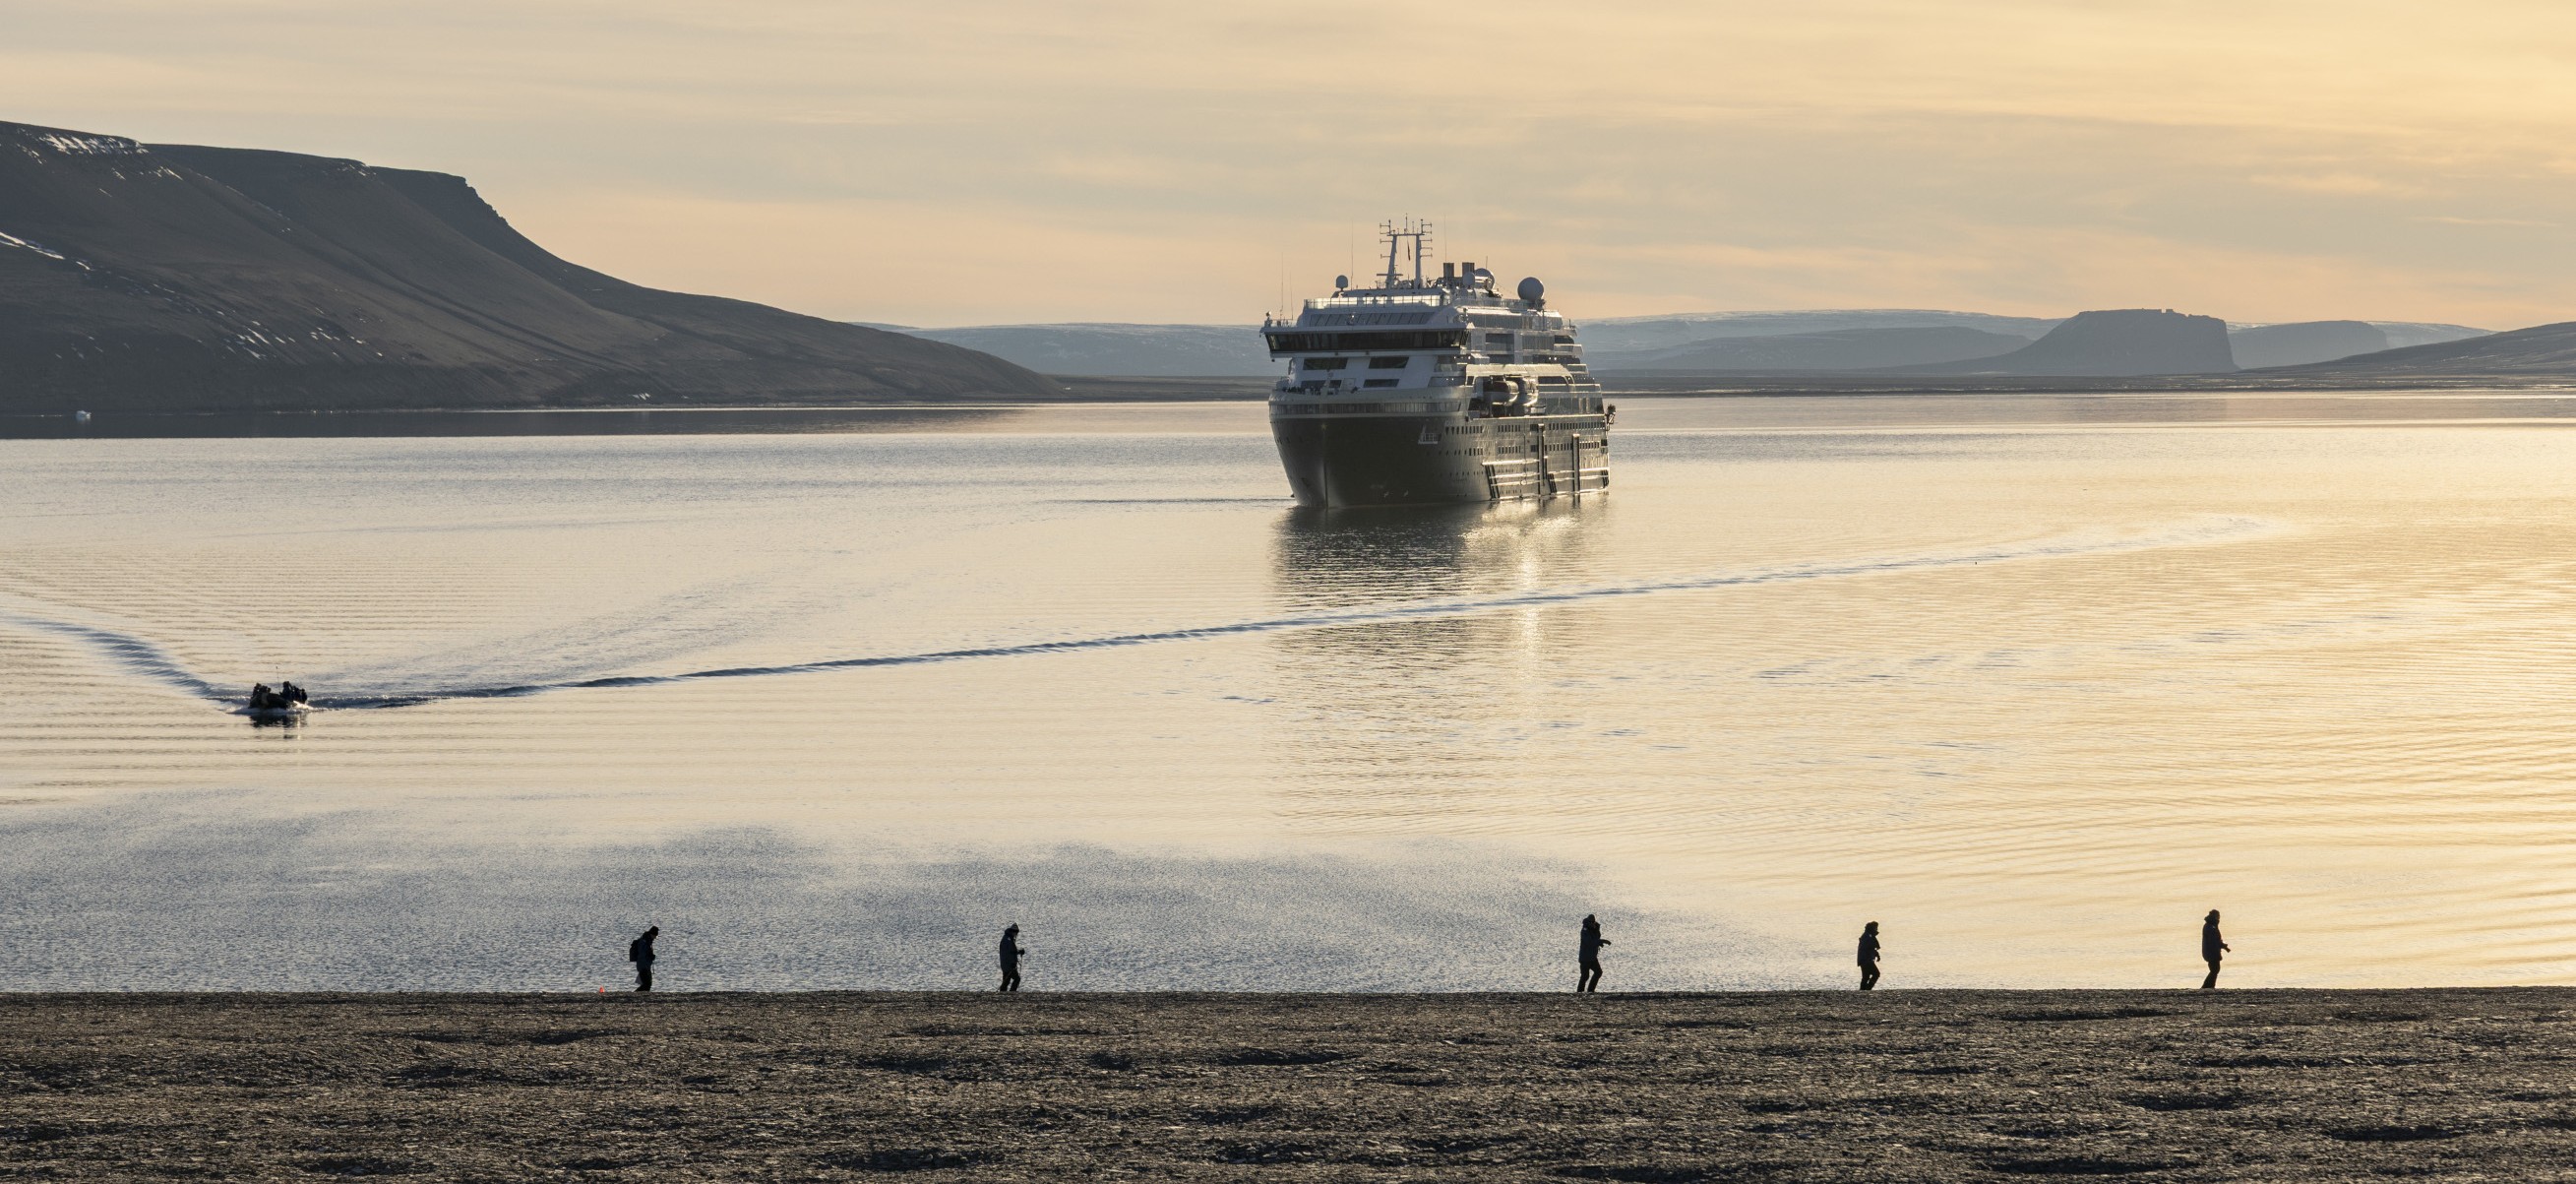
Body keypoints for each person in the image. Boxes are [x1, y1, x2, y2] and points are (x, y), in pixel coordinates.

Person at [1577, 914, 1610, 993]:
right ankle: (1579, 992)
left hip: (1592, 957)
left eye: (1593, 922)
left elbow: (1595, 940)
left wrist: (1599, 943)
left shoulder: (1595, 929)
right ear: (1588, 922)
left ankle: (1591, 990)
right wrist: (1602, 941)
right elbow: (1590, 942)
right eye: (1590, 922)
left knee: (1598, 972)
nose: (1592, 923)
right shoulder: (1584, 931)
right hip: (1585, 958)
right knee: (1585, 976)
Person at [2200, 910, 2230, 989]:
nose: (2219, 917)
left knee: (2215, 969)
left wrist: (2223, 946)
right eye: (2218, 915)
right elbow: (2214, 940)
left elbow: (2216, 939)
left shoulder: (2211, 925)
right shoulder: (2210, 926)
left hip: (2212, 951)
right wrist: (2221, 946)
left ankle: (2209, 986)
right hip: (2211, 952)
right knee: (2215, 969)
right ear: (2215, 916)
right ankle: (2207, 986)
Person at [629, 925, 658, 992]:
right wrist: (650, 956)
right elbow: (642, 955)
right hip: (643, 966)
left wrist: (651, 956)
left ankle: (639, 994)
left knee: (648, 984)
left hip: (646, 966)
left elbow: (646, 954)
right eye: (655, 935)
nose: (655, 937)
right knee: (646, 984)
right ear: (652, 934)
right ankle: (635, 994)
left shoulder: (648, 941)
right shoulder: (644, 941)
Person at [998, 924, 1026, 992]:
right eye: (1015, 932)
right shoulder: (1008, 940)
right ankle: (1012, 992)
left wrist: (1019, 952)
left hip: (1006, 964)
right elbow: (1009, 953)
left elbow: (1012, 951)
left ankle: (1003, 993)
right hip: (1008, 965)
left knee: (1006, 980)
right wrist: (1012, 962)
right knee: (1016, 979)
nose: (1016, 934)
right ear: (1012, 931)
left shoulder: (1008, 938)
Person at [1858, 921, 1882, 990]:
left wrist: (1877, 955)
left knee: (1865, 977)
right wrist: (1877, 954)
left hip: (1863, 959)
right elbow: (1869, 947)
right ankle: (1868, 989)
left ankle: (1862, 991)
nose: (1877, 929)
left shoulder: (1867, 935)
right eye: (1876, 928)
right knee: (1876, 974)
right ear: (1872, 928)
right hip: (1866, 959)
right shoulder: (1867, 936)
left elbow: (1870, 948)